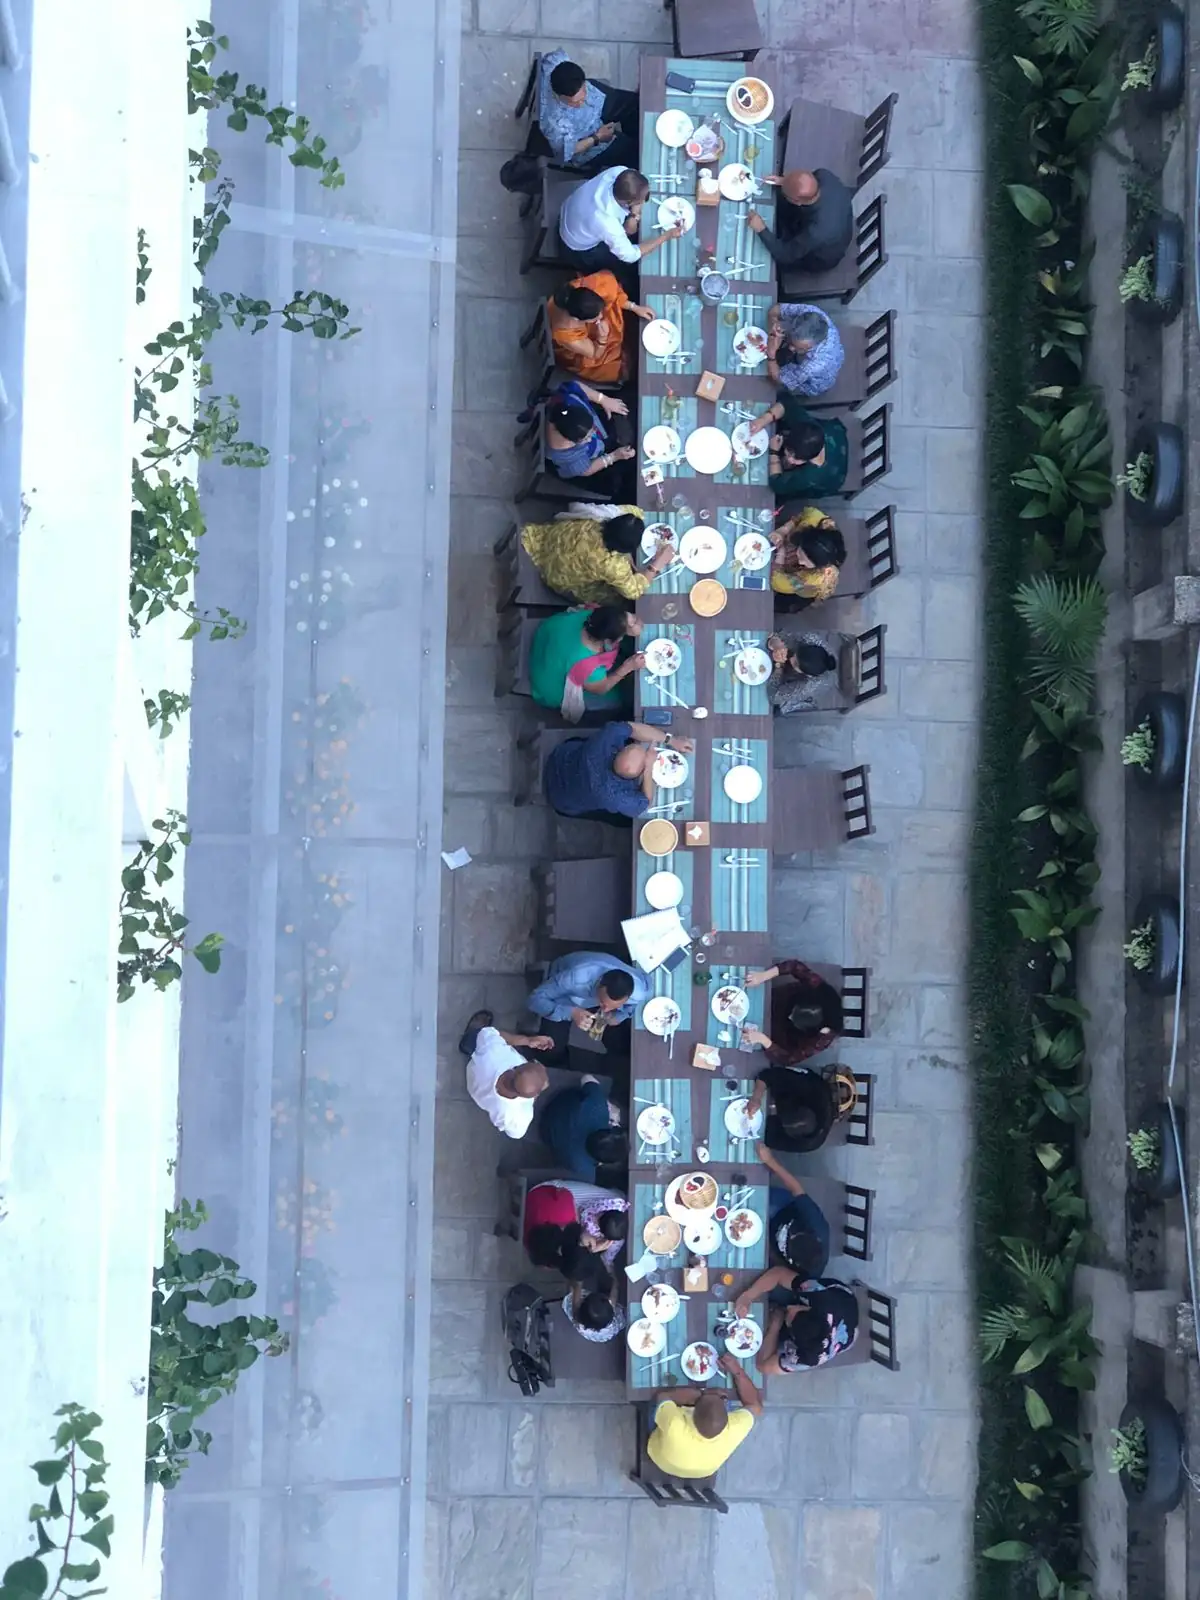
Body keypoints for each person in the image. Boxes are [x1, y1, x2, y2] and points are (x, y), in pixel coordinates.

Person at [543, 720, 696, 824]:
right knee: (623, 821)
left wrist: (671, 740)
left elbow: (633, 729)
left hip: (562, 757)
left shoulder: (605, 740)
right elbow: (645, 804)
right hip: (560, 798)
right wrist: (649, 768)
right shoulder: (612, 795)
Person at [521, 504, 675, 605]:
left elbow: (633, 511)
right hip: (557, 574)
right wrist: (657, 564)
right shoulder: (611, 565)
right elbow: (634, 591)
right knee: (616, 597)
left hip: (546, 540)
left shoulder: (597, 519)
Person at [645, 1356, 764, 1477]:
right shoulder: (738, 1426)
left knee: (657, 1406)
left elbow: (663, 1397)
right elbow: (756, 1406)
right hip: (704, 1471)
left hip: (661, 1459)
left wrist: (700, 1394)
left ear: (692, 1410)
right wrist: (737, 1371)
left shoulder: (675, 1424)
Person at [558, 166, 685, 274]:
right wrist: (666, 236)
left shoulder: (618, 172)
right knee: (624, 268)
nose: (644, 202)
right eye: (642, 200)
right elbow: (631, 255)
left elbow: (629, 230)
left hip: (571, 212)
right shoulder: (607, 222)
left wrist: (633, 215)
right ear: (629, 202)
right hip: (575, 245)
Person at [528, 603, 643, 719]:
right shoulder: (585, 663)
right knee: (620, 698)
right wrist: (627, 668)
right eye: (621, 636)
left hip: (548, 637)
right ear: (608, 641)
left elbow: (616, 620)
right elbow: (602, 688)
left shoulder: (592, 616)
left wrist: (631, 622)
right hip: (549, 686)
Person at [527, 1211, 627, 1342]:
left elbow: (577, 1286)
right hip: (573, 1257)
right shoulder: (574, 1238)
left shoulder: (578, 1316)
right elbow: (613, 1288)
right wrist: (613, 1278)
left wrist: (577, 1281)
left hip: (568, 1256)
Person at [535, 50, 639, 171]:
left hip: (597, 99)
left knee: (633, 104)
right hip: (590, 139)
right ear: (559, 96)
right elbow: (567, 152)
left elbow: (551, 57)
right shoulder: (554, 122)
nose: (582, 102)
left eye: (583, 93)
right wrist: (597, 137)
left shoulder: (556, 62)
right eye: (575, 102)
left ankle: (633, 128)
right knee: (633, 151)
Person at [528, 952, 651, 1050]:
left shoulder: (639, 990)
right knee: (553, 1048)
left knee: (619, 1042)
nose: (605, 1010)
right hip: (564, 994)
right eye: (603, 1003)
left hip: (590, 1000)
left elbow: (633, 1004)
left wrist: (618, 1017)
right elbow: (533, 1000)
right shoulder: (574, 979)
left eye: (613, 1006)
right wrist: (571, 1013)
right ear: (599, 983)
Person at [460, 1010, 553, 1138]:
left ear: (515, 1067)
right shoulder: (513, 1116)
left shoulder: (493, 1052)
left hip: (477, 1071)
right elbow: (516, 1134)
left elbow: (497, 1035)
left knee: (482, 1034)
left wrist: (527, 1040)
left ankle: (470, 1040)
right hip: (478, 1095)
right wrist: (535, 1094)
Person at [540, 380, 638, 500]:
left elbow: (575, 385)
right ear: (570, 441)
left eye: (591, 431)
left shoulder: (567, 402)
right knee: (628, 482)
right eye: (587, 438)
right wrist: (614, 456)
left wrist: (603, 399)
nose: (591, 436)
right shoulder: (568, 458)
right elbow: (586, 470)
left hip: (602, 438)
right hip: (592, 465)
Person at [546, 274, 653, 384]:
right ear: (577, 319)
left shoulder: (582, 292)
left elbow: (611, 287)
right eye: (595, 317)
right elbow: (594, 354)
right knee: (623, 368)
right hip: (582, 349)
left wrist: (635, 307)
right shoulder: (567, 334)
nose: (601, 316)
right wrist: (602, 338)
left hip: (583, 315)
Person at [746, 168, 854, 273]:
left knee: (775, 259)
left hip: (822, 256)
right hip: (838, 217)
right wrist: (784, 181)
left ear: (797, 202)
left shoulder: (815, 232)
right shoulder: (824, 175)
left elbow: (785, 255)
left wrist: (761, 229)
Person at [740, 959, 844, 1066]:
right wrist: (764, 976)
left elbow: (789, 1059)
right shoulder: (820, 988)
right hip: (774, 999)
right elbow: (794, 966)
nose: (790, 1017)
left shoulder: (823, 1038)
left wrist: (762, 1039)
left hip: (773, 1032)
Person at [751, 1141, 831, 1276]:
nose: (791, 1235)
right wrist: (770, 1160)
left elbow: (779, 1273)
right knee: (752, 1193)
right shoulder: (817, 1225)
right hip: (782, 1209)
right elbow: (796, 1189)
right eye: (795, 1234)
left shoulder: (808, 1274)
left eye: (789, 1241)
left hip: (770, 1246)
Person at [752, 1276, 860, 1374]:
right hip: (842, 1299)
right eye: (797, 1309)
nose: (789, 1307)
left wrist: (774, 1327)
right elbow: (778, 1274)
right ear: (810, 1308)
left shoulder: (809, 1358)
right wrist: (747, 1296)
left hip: (841, 1337)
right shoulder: (821, 1295)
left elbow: (762, 1366)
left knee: (759, 1341)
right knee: (776, 1290)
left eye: (789, 1319)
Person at [749, 396, 848, 499]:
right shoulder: (807, 428)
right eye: (790, 453)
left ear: (809, 459)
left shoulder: (810, 476)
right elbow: (786, 404)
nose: (790, 459)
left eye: (795, 459)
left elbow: (777, 484)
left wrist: (773, 452)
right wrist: (762, 420)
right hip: (835, 432)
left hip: (831, 478)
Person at [539, 1076, 627, 1181]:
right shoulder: (584, 1171)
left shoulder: (598, 1107)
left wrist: (608, 1105)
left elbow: (586, 1078)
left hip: (557, 1106)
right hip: (547, 1136)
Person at [745, 1065, 838, 1153]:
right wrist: (756, 1097)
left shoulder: (809, 1143)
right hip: (789, 1088)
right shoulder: (812, 1088)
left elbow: (766, 1141)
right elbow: (767, 1075)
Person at [768, 508, 847, 605]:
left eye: (805, 562)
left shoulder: (813, 580)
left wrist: (781, 554)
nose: (800, 562)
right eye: (800, 554)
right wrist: (783, 531)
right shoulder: (815, 519)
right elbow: (803, 514)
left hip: (794, 588)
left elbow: (777, 582)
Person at [766, 302, 844, 397]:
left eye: (801, 348)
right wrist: (774, 325)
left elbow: (780, 380)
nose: (791, 348)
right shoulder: (811, 312)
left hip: (814, 382)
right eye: (792, 341)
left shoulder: (814, 365)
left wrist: (771, 355)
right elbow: (775, 309)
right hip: (833, 352)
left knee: (769, 381)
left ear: (813, 345)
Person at [766, 631, 838, 714]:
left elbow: (773, 696)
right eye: (796, 655)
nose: (791, 659)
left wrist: (779, 666)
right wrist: (777, 644)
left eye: (796, 664)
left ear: (808, 675)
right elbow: (781, 634)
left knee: (781, 706)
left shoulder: (810, 685)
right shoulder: (810, 638)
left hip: (806, 693)